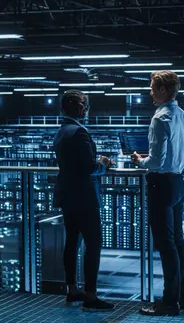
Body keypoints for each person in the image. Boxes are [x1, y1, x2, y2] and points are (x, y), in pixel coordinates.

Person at [131, 70, 184, 316]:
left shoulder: (160, 119)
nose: (150, 92)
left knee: (166, 245)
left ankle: (168, 303)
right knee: (178, 242)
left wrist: (140, 161)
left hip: (160, 185)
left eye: (153, 87)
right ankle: (180, 297)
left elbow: (156, 162)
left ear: (164, 90)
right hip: (179, 183)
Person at [53, 89, 115, 312]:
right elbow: (88, 168)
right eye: (84, 105)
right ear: (79, 108)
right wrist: (104, 164)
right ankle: (91, 296)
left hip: (67, 195)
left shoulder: (62, 131)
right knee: (94, 244)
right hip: (84, 197)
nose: (86, 109)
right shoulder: (79, 133)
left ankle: (72, 289)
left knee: (72, 242)